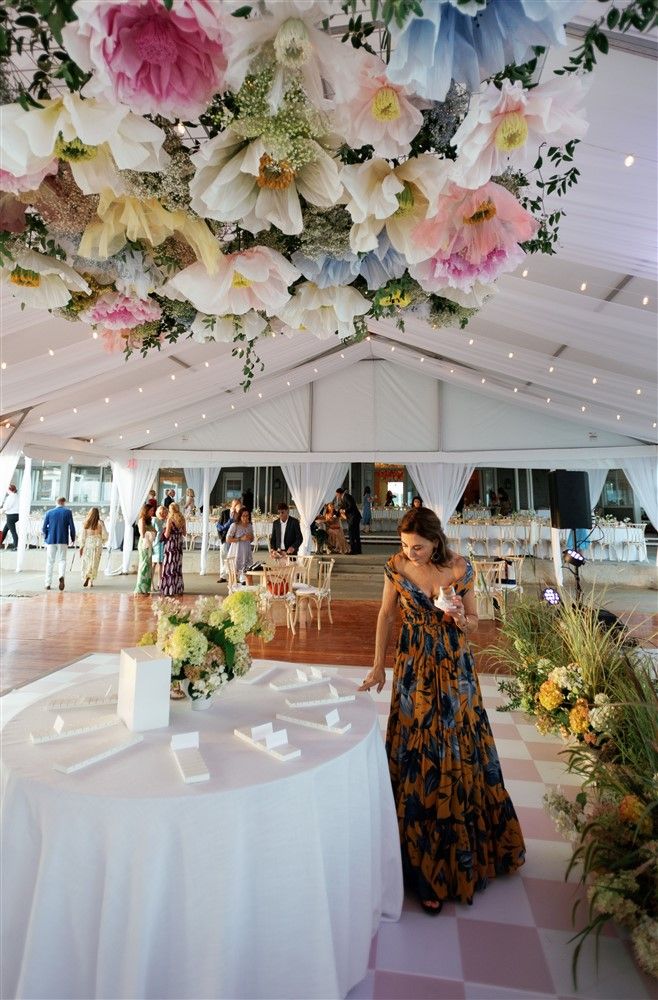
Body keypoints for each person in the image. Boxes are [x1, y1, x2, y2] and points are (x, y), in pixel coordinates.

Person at [359, 507, 525, 913]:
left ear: (436, 541)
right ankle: (412, 862)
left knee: (453, 745)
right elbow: (385, 614)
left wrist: (457, 616)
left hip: (454, 668)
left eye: (417, 546)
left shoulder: (460, 568)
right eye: (404, 545)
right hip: (414, 664)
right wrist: (379, 663)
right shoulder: (396, 566)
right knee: (416, 751)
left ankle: (450, 862)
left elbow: (475, 619)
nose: (410, 552)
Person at [42, 497, 76, 591]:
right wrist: (73, 538)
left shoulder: (49, 512)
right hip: (63, 539)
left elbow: (44, 528)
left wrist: (46, 538)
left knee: (50, 562)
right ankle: (61, 575)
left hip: (51, 540)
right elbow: (72, 527)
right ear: (63, 502)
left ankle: (47, 583)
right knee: (62, 560)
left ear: (56, 502)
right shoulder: (68, 512)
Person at [160, 503, 186, 596]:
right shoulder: (182, 519)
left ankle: (169, 589)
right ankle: (178, 588)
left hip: (171, 544)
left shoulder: (170, 520)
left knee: (169, 566)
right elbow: (184, 533)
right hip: (178, 543)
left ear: (171, 510)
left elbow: (167, 534)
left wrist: (162, 532)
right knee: (177, 567)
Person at [79, 507, 108, 587]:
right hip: (97, 544)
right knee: (94, 562)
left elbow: (82, 536)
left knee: (87, 561)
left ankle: (86, 577)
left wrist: (81, 546)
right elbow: (104, 534)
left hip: (89, 543)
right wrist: (103, 540)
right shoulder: (101, 522)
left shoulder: (86, 522)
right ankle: (91, 580)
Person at [226, 506, 254, 583]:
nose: (246, 517)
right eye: (243, 516)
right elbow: (228, 539)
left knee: (248, 576)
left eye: (247, 515)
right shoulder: (234, 525)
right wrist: (240, 539)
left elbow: (252, 539)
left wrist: (250, 537)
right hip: (236, 553)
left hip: (247, 553)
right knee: (234, 577)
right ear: (240, 516)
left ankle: (247, 590)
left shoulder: (250, 526)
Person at [217, 499, 241, 581]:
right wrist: (221, 537)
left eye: (238, 505)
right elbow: (219, 526)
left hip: (235, 539)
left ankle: (235, 576)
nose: (236, 506)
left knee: (235, 557)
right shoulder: (225, 513)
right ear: (232, 505)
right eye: (235, 505)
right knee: (223, 557)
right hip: (225, 539)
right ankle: (223, 576)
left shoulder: (240, 514)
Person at [134, 503, 155, 595]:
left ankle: (146, 588)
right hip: (144, 544)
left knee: (148, 565)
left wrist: (152, 533)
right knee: (144, 565)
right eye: (151, 510)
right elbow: (142, 534)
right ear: (146, 511)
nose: (153, 512)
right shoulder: (142, 520)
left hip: (149, 543)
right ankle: (140, 588)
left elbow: (155, 531)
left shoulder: (149, 521)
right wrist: (151, 533)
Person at [336, 487, 362, 555]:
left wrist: (344, 510)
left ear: (339, 493)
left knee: (351, 534)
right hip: (354, 517)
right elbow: (341, 507)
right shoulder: (344, 497)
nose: (336, 496)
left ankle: (353, 550)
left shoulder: (346, 496)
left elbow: (351, 506)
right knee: (356, 534)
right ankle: (358, 550)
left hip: (353, 518)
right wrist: (336, 514)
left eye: (337, 494)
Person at [151, 504, 167, 591]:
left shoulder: (165, 521)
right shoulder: (155, 520)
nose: (163, 514)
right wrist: (154, 543)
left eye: (164, 513)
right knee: (153, 564)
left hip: (163, 544)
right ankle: (151, 583)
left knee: (161, 564)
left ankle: (160, 583)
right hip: (156, 544)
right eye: (161, 513)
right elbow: (154, 532)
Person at [1, 483, 20, 549]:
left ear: (9, 490)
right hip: (16, 515)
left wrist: (1, 511)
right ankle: (0, 543)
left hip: (11, 516)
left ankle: (16, 546)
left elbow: (6, 507)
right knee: (5, 530)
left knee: (13, 531)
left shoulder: (10, 497)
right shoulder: (17, 496)